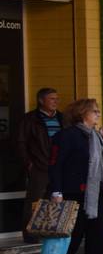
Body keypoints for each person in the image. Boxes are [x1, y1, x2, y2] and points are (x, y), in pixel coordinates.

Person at [48, 99, 103, 254]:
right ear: (82, 113)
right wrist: (57, 191)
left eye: (98, 111)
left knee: (97, 236)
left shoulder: (97, 136)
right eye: (94, 111)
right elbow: (56, 165)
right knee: (73, 235)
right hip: (74, 193)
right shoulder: (67, 136)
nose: (98, 114)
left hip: (97, 193)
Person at [18, 87, 63, 242]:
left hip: (59, 166)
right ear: (41, 100)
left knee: (57, 201)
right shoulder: (30, 119)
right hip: (39, 167)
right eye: (52, 99)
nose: (56, 101)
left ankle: (52, 233)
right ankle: (30, 237)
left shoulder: (62, 118)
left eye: (57, 99)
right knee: (35, 202)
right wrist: (29, 163)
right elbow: (20, 143)